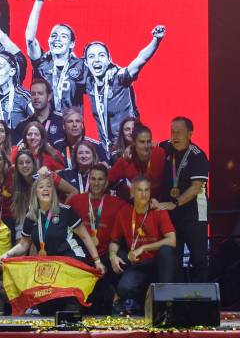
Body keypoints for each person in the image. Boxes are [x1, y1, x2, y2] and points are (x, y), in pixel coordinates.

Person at [0, 174, 105, 313]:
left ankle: (73, 305)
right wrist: (7, 254)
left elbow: (85, 237)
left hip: (71, 261)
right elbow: (24, 245)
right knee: (46, 310)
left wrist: (97, 261)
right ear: (35, 192)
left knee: (69, 307)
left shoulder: (65, 211)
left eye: (49, 186)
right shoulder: (31, 216)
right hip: (49, 266)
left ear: (53, 191)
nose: (45, 189)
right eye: (41, 187)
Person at [84, 26, 166, 153]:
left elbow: (141, 59)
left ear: (109, 59)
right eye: (91, 56)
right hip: (107, 151)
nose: (96, 60)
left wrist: (156, 40)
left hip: (130, 148)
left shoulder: (120, 78)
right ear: (86, 63)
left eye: (101, 55)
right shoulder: (89, 83)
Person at [109, 176, 177, 315]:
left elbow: (172, 240)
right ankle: (139, 303)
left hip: (158, 263)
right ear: (132, 192)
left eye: (147, 190)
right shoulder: (124, 212)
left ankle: (165, 305)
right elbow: (114, 241)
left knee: (167, 251)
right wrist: (112, 255)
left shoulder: (158, 210)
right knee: (124, 288)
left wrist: (144, 248)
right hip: (139, 265)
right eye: (139, 190)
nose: (144, 194)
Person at [154, 116, 209, 283]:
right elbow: (150, 146)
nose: (175, 136)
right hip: (173, 214)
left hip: (194, 214)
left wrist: (175, 203)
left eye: (179, 132)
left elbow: (196, 187)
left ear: (190, 134)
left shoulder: (197, 155)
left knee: (198, 258)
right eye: (172, 132)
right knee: (174, 258)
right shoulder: (166, 147)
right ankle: (176, 301)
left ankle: (200, 301)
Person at [66, 164, 127, 313]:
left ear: (106, 182)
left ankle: (117, 300)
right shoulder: (76, 201)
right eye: (93, 179)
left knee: (119, 259)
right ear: (88, 180)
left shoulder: (117, 203)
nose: (96, 183)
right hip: (82, 255)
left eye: (100, 179)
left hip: (106, 255)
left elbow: (135, 211)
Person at [25, 0, 87, 112]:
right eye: (54, 35)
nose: (57, 39)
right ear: (48, 40)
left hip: (71, 128)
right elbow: (30, 39)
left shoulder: (81, 66)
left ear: (72, 44)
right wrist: (39, 1)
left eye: (63, 36)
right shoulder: (41, 62)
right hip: (44, 127)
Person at [108, 123, 166, 201]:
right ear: (134, 143)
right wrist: (124, 191)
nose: (146, 146)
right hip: (136, 204)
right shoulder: (126, 160)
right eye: (142, 142)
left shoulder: (159, 153)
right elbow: (108, 180)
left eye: (148, 141)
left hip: (159, 204)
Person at [14, 78, 65, 145]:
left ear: (49, 97)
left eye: (40, 93)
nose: (36, 97)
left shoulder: (61, 121)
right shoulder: (22, 126)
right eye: (33, 94)